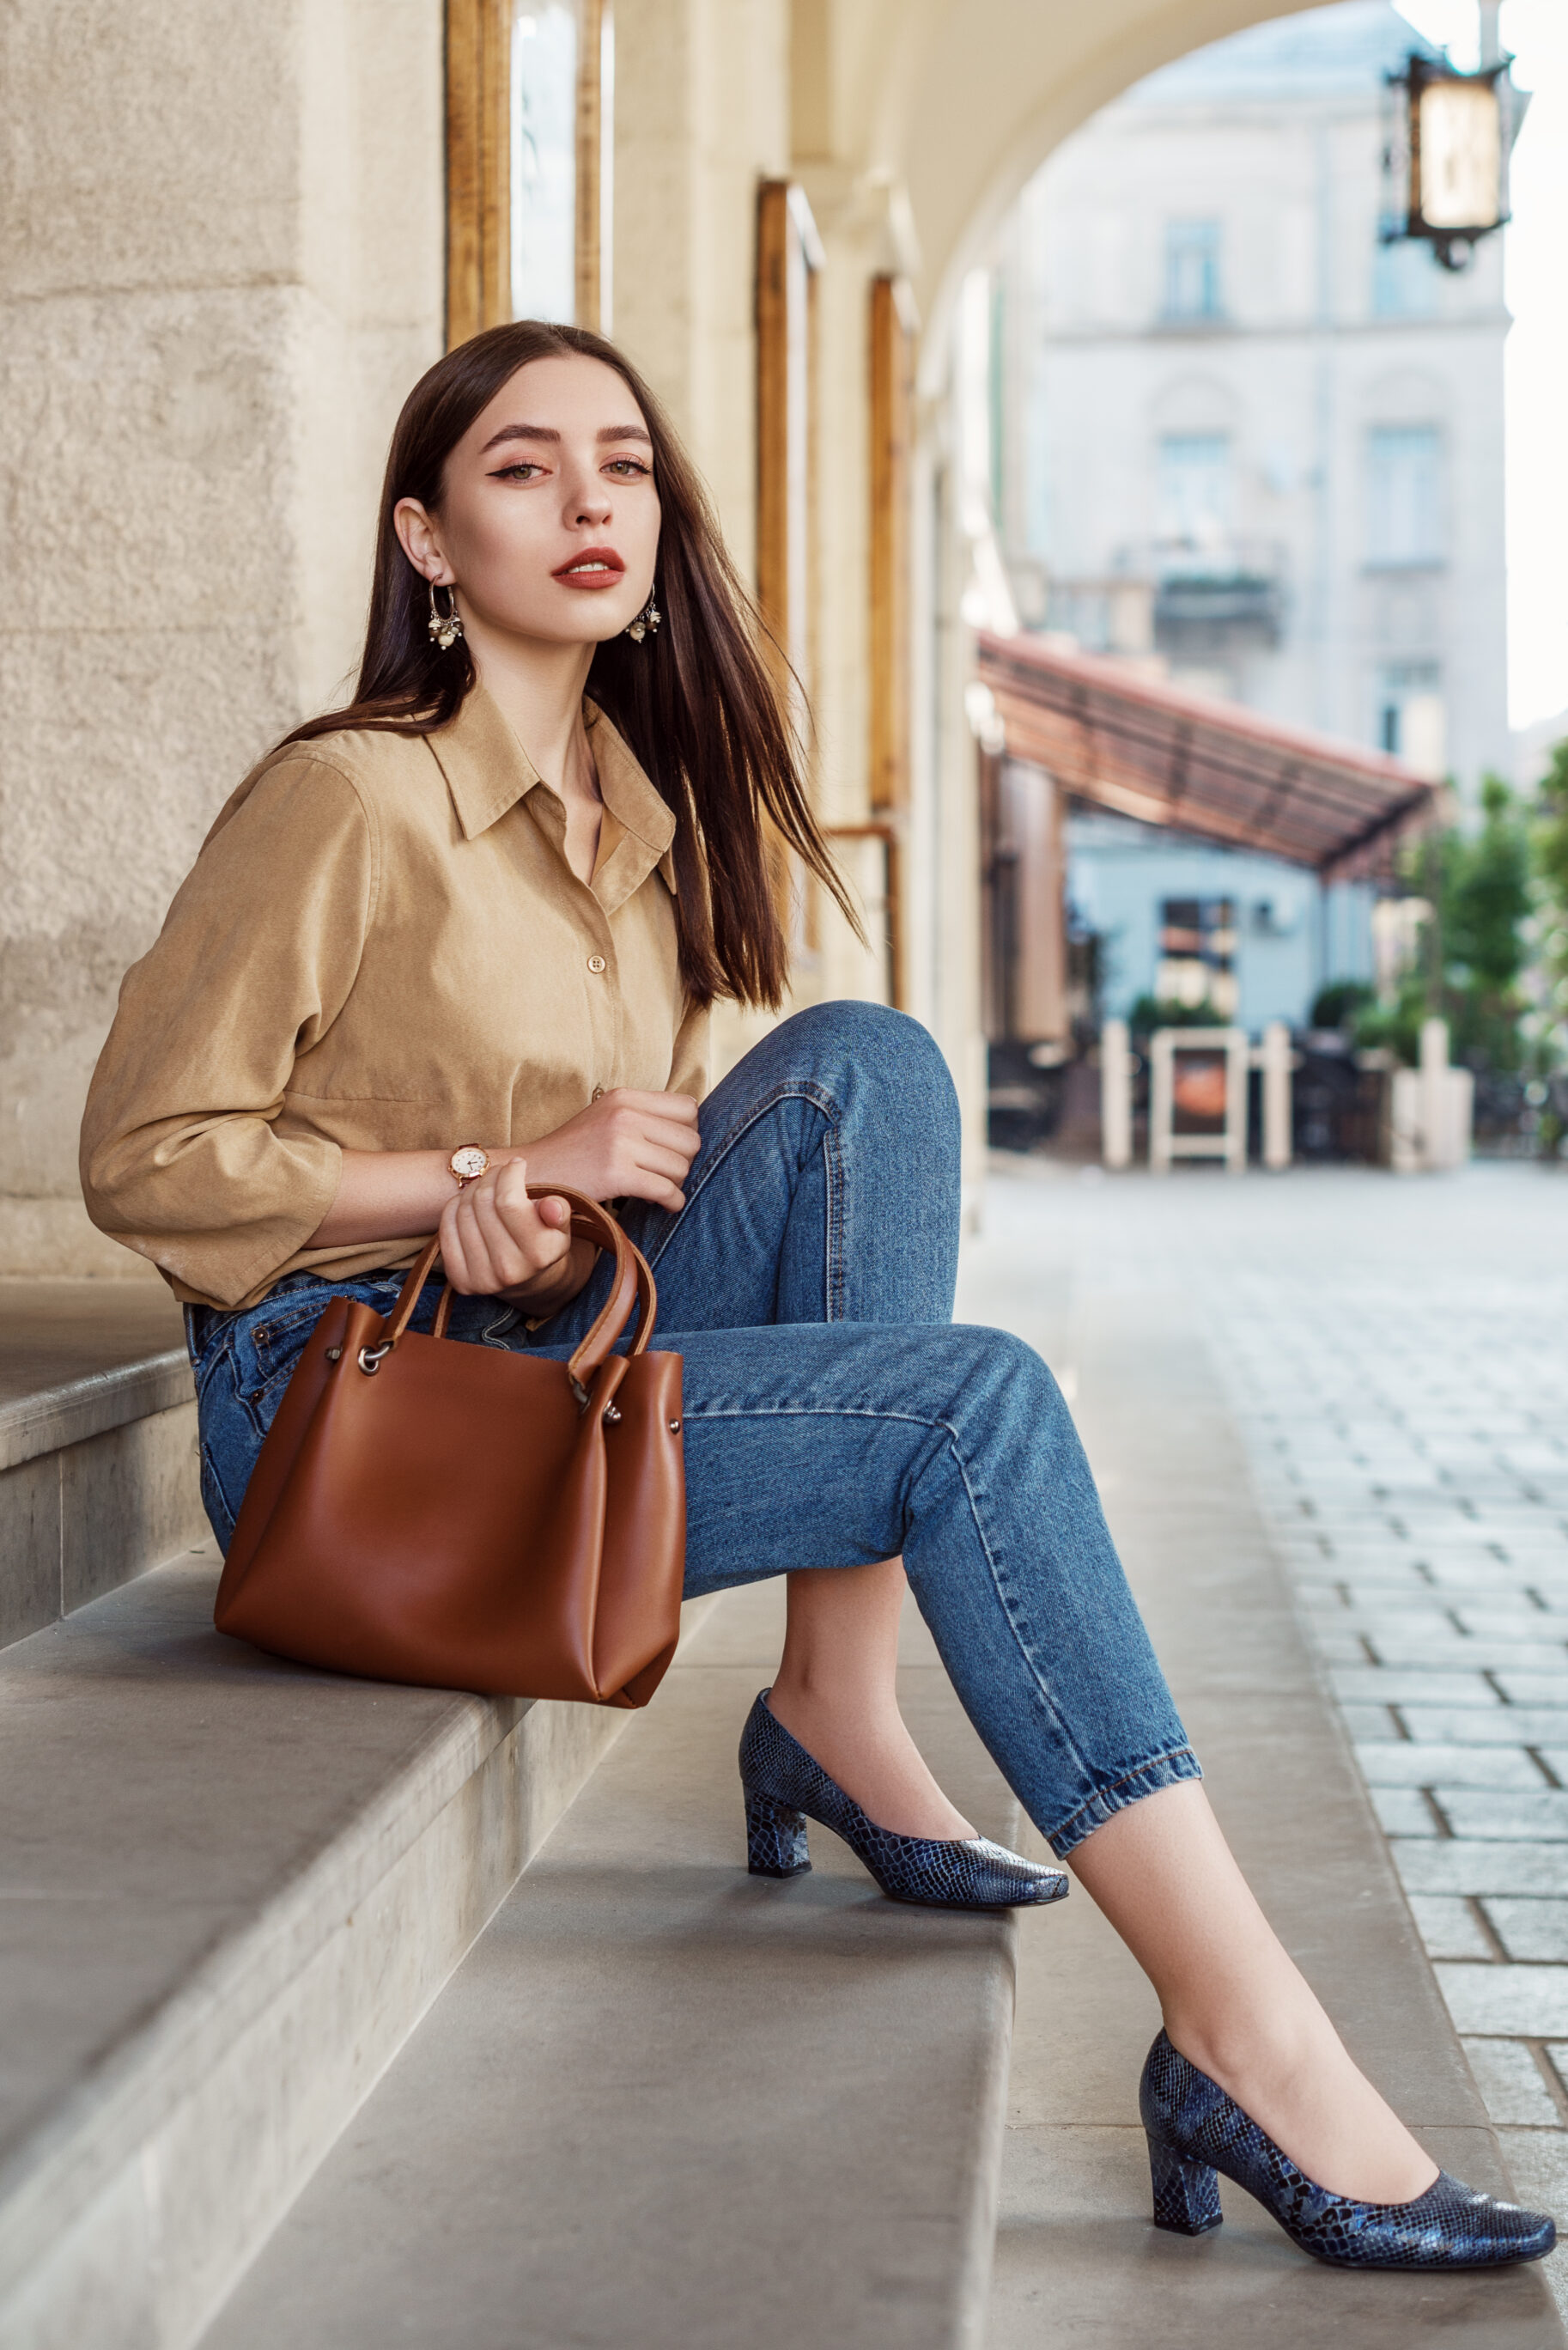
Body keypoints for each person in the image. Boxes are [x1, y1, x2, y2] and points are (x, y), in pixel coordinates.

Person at [81, 320, 1550, 2274]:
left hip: (544, 1362)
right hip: (349, 1436)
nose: (594, 498)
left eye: (623, 461)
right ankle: (1240, 2034)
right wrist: (466, 1188)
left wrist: (541, 1204)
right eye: (523, 469)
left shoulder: (652, 824)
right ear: (427, 541)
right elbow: (146, 1159)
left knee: (873, 1065)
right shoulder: (351, 802)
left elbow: (635, 1191)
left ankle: (836, 1698)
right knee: (975, 1400)